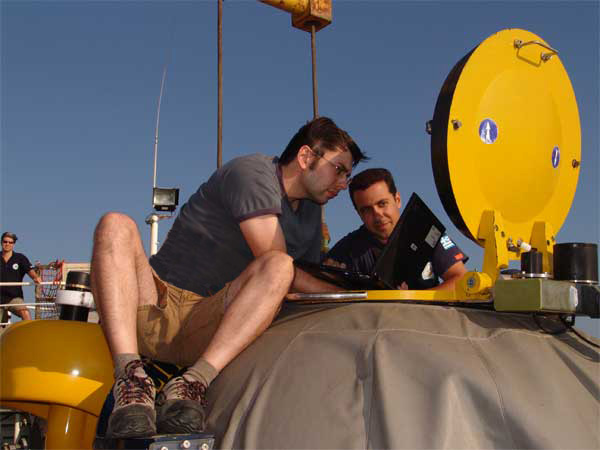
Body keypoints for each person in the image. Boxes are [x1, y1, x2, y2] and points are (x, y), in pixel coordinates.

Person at [90, 117, 367, 438]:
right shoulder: (251, 173)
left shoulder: (312, 213)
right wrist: (349, 294)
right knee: (116, 223)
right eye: (339, 169)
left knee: (280, 268)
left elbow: (301, 284)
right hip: (154, 302)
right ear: (306, 157)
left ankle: (192, 383)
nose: (344, 183)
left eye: (348, 174)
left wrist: (356, 286)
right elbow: (284, 268)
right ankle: (130, 378)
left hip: (211, 322)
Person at [326, 168, 468, 290]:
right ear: (358, 213)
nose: (377, 215)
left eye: (382, 204)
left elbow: (460, 278)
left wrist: (411, 299)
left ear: (397, 199)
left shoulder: (426, 229)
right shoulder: (347, 249)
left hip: (427, 317)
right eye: (367, 210)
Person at [0, 232, 42, 323]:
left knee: (25, 313)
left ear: (13, 244)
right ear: (1, 242)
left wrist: (35, 277)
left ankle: (29, 335)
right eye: (5, 241)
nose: (7, 244)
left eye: (10, 242)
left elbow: (29, 270)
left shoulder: (20, 258)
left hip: (14, 298)